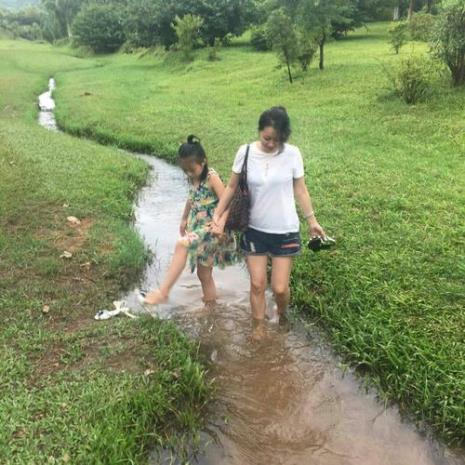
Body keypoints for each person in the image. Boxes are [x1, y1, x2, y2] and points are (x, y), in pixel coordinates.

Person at [211, 106, 325, 333]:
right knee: (257, 284)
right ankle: (258, 327)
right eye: (267, 138)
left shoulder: (292, 154)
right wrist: (218, 216)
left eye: (278, 140)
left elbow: (300, 190)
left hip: (285, 230)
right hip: (254, 229)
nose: (272, 144)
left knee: (280, 288)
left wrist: (312, 221)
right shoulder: (245, 152)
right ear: (259, 131)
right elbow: (232, 187)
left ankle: (281, 315)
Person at [138, 135, 240, 307]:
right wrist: (184, 218)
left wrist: (219, 224)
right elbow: (191, 198)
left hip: (211, 228)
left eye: (192, 170)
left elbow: (227, 202)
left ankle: (163, 293)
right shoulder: (193, 177)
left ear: (204, 162)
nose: (189, 174)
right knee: (203, 275)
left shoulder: (211, 177)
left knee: (182, 244)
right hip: (198, 227)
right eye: (185, 170)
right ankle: (211, 308)